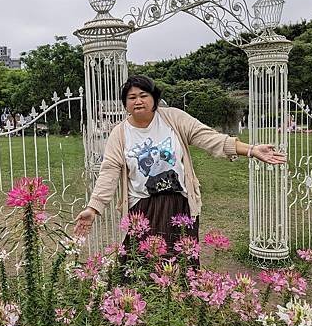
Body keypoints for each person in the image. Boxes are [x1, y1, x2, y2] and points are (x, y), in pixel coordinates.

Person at [74, 75, 286, 250]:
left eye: (143, 95)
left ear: (154, 98)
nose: (138, 101)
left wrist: (250, 150)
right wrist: (94, 208)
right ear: (125, 103)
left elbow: (208, 138)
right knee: (139, 265)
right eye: (131, 97)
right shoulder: (119, 133)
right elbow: (109, 172)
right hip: (142, 206)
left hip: (179, 204)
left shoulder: (173, 119)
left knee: (181, 261)